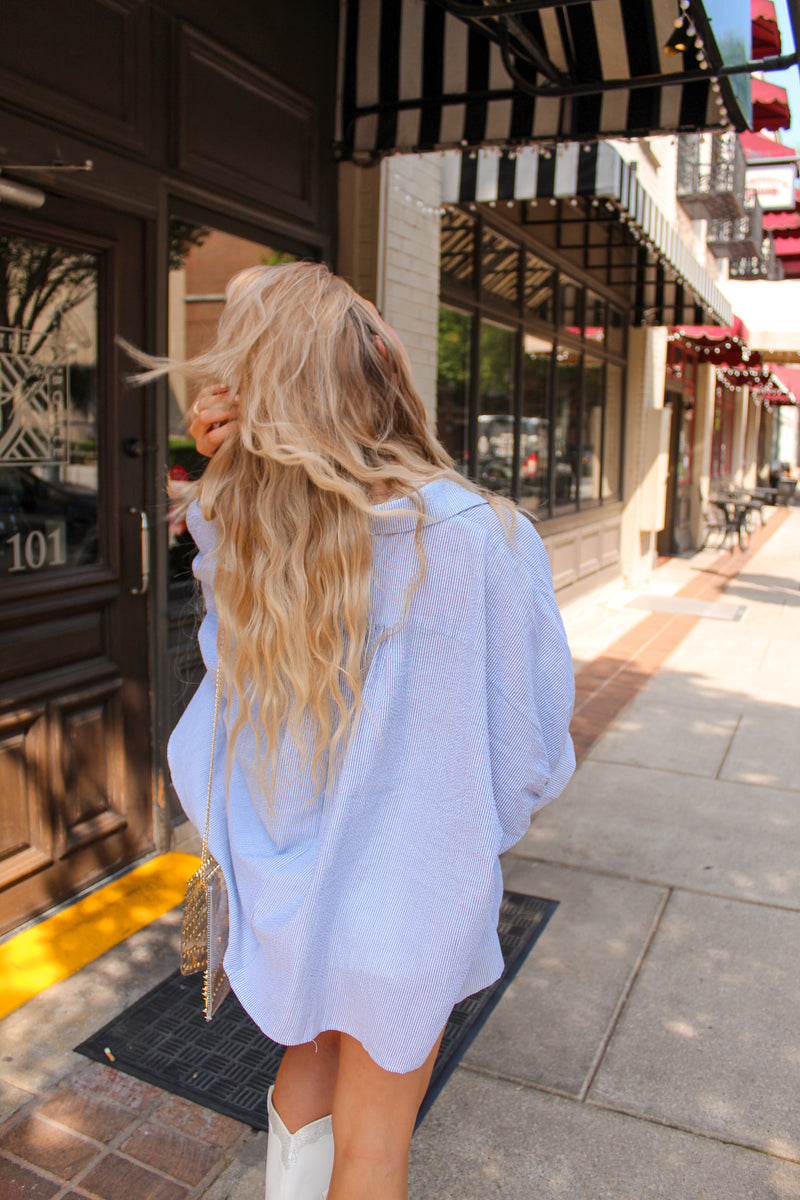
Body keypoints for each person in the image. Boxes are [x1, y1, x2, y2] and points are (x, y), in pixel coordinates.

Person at [152, 261, 575, 1200]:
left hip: (294, 884)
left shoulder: (250, 534)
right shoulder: (483, 539)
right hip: (412, 896)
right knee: (376, 1148)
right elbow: (535, 753)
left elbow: (225, 714)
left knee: (305, 1073)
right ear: (382, 369)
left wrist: (226, 474)